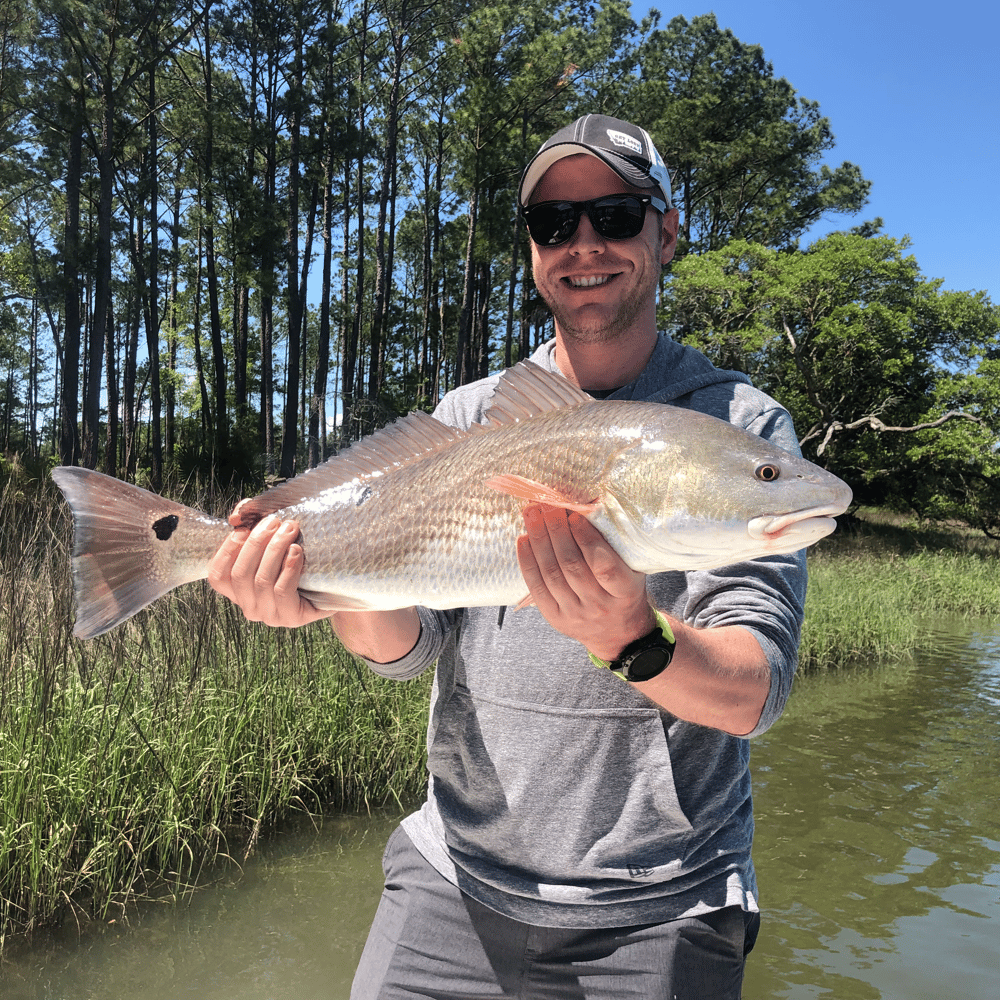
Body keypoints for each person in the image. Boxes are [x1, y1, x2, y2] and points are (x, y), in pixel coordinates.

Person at [208, 114, 807, 998]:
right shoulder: (472, 415)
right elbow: (405, 651)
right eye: (554, 224)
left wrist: (634, 637)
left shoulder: (738, 426)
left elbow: (756, 690)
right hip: (451, 882)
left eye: (614, 213)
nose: (584, 244)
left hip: (661, 912)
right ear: (532, 250)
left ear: (668, 230)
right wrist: (324, 591)